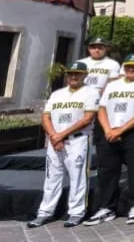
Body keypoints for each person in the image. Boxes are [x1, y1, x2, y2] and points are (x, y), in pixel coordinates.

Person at [84, 54, 134, 226]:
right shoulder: (113, 85)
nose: (131, 69)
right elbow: (101, 108)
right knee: (107, 170)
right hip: (110, 130)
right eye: (128, 66)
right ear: (124, 67)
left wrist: (122, 129)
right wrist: (108, 129)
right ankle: (106, 207)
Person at [28, 62, 100, 229]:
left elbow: (87, 118)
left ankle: (76, 212)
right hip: (55, 141)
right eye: (70, 73)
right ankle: (45, 212)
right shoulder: (57, 94)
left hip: (77, 140)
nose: (73, 77)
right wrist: (54, 136)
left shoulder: (91, 92)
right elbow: (46, 117)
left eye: (77, 74)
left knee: (78, 177)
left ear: (85, 75)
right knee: (52, 178)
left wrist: (61, 135)